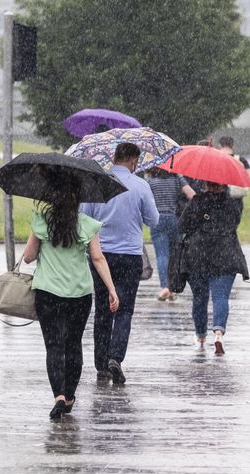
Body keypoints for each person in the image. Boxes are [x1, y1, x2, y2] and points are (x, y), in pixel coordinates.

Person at [22, 177, 120, 420]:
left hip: (47, 294)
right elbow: (98, 259)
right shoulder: (87, 225)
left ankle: (58, 396)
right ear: (78, 199)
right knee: (73, 344)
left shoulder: (42, 222)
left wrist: (39, 240)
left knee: (54, 345)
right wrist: (111, 289)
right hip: (79, 294)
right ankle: (70, 397)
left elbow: (27, 257)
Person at [81, 142, 159, 384]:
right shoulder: (141, 186)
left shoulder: (97, 183)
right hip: (130, 255)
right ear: (134, 161)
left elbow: (84, 216)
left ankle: (101, 364)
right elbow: (153, 220)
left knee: (103, 308)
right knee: (124, 309)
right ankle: (116, 356)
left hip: (100, 255)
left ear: (114, 158)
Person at [176, 181, 249, 353]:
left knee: (200, 299)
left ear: (205, 183)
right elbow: (234, 223)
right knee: (220, 297)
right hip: (226, 254)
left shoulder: (196, 201)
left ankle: (201, 336)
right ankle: (218, 333)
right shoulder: (232, 203)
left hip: (197, 256)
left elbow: (182, 226)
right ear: (224, 185)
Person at [146, 167, 195, 301]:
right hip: (173, 219)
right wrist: (179, 175)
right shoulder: (175, 180)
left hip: (157, 220)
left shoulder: (151, 182)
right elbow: (192, 195)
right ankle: (172, 287)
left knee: (162, 254)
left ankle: (164, 287)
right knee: (174, 256)